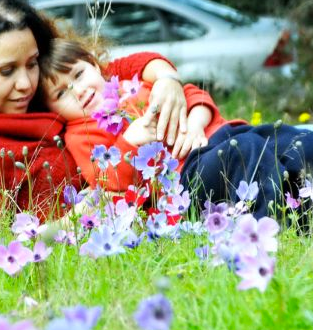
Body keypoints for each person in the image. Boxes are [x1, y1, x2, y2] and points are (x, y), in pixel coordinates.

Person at [0, 0, 191, 220]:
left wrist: (167, 78)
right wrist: (90, 208)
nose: (25, 83)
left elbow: (113, 72)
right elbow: (9, 244)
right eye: (6, 71)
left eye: (32, 64)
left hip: (175, 175)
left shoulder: (48, 94)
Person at [39, 38, 313, 219]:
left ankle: (303, 204)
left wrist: (196, 120)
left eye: (78, 74)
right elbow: (106, 179)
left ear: (95, 65)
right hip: (185, 176)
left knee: (293, 140)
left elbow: (192, 94)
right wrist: (128, 142)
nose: (79, 91)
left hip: (221, 134)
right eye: (62, 93)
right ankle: (269, 224)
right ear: (53, 110)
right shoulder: (80, 134)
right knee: (246, 153)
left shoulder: (131, 86)